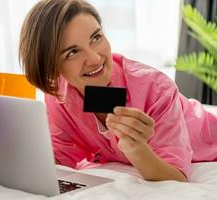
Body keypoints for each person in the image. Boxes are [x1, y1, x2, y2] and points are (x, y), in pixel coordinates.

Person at [19, 0, 217, 182]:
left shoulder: (156, 89)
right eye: (72, 52)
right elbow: (59, 159)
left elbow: (176, 178)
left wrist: (137, 149)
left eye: (96, 37)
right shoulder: (58, 96)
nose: (95, 58)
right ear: (51, 68)